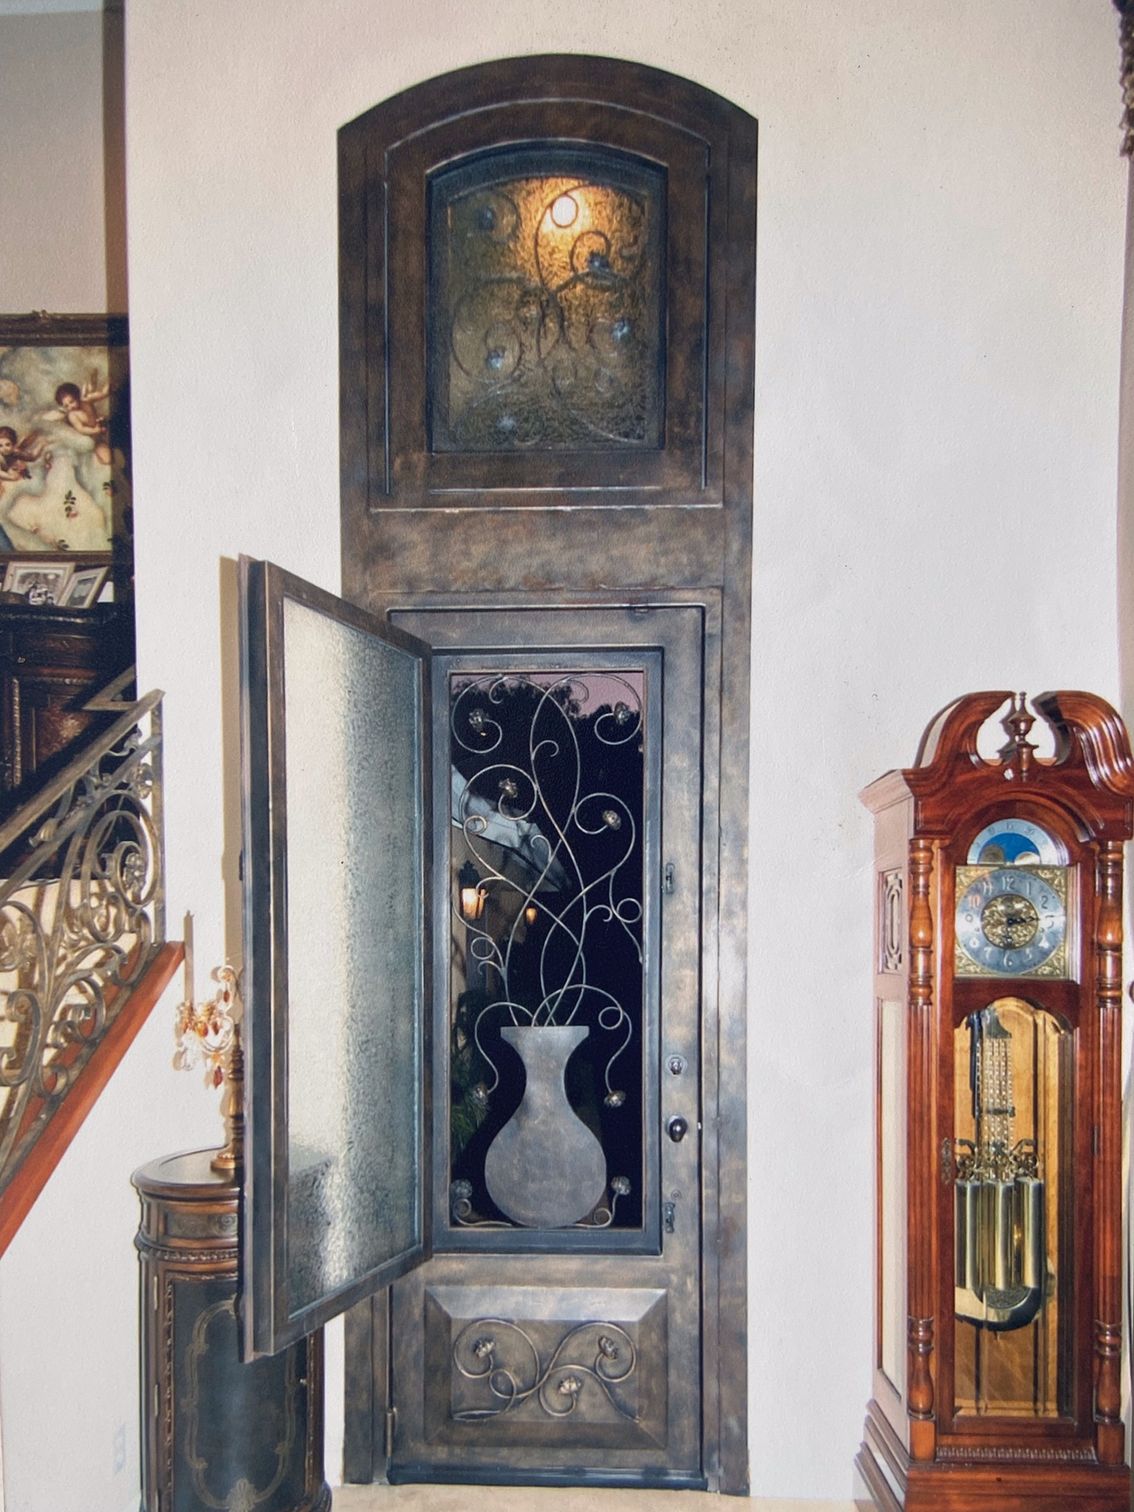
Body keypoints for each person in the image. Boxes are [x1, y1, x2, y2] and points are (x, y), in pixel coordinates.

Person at [53, 375, 112, 465]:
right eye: (66, 406)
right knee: (108, 459)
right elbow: (81, 429)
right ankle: (100, 454)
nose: (70, 406)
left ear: (77, 396)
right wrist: (95, 431)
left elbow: (102, 394)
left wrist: (106, 389)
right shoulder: (72, 415)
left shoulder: (86, 401)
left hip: (102, 426)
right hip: (94, 437)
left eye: (71, 401)